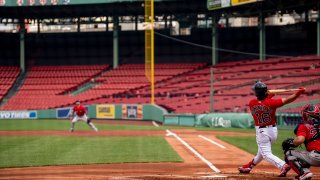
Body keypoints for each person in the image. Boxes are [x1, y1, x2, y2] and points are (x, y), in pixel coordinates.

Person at [238, 81, 305, 177]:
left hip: (262, 132)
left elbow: (266, 98)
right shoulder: (271, 103)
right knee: (261, 153)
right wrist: (298, 93)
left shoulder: (252, 103)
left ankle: (283, 165)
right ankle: (249, 166)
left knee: (266, 154)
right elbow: (287, 100)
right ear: (265, 92)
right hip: (273, 131)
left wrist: (268, 93)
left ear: (257, 93)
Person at [282, 104, 320, 180]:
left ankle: (304, 173)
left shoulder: (304, 125)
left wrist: (291, 142)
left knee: (288, 153)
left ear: (306, 114)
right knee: (306, 156)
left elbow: (299, 140)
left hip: (316, 157)